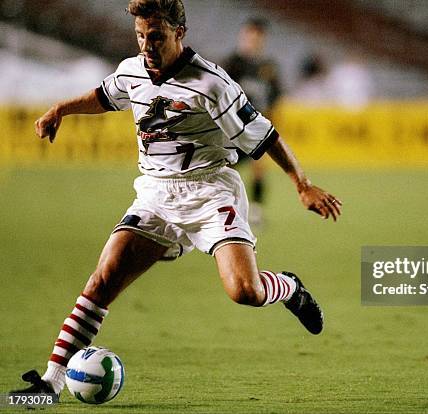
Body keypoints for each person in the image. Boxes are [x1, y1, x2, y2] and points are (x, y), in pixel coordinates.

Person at [11, 0, 342, 396]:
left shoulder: (212, 84)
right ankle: (51, 382)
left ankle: (289, 287)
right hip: (155, 193)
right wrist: (60, 110)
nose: (146, 45)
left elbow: (266, 136)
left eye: (156, 36)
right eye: (140, 36)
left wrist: (302, 185)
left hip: (210, 190)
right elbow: (104, 95)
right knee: (103, 279)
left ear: (178, 33)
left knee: (245, 292)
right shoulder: (132, 70)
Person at [223, 17, 282, 226]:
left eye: (257, 36)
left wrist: (273, 127)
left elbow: (274, 99)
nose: (253, 40)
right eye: (250, 35)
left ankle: (256, 210)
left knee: (259, 166)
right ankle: (224, 207)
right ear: (243, 35)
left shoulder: (269, 67)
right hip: (233, 128)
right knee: (227, 168)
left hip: (258, 126)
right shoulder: (232, 63)